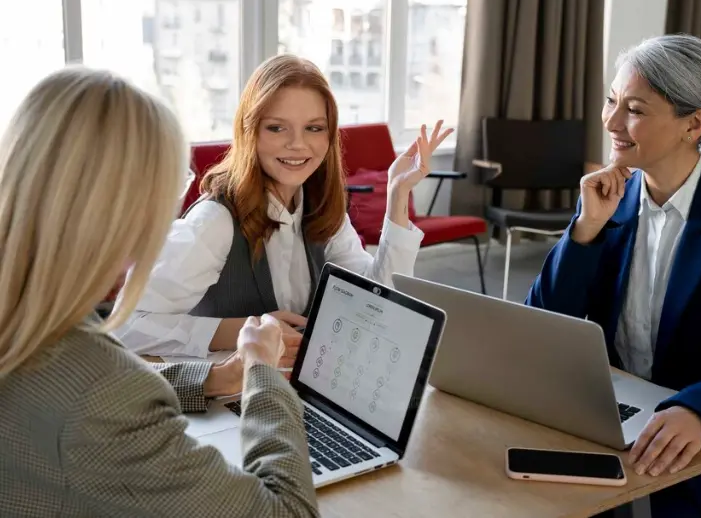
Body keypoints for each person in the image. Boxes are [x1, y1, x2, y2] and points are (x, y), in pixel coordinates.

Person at [0, 66, 319, 516]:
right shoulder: (103, 391)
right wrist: (264, 378)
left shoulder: (32, 326)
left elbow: (73, 389)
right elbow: (289, 512)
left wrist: (211, 378)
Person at [527, 35, 701, 517]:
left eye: (634, 109)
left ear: (693, 124)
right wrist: (585, 232)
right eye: (612, 100)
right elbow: (543, 329)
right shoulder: (609, 198)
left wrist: (699, 411)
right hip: (619, 432)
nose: (611, 122)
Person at [115, 54, 451, 367]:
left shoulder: (321, 210)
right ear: (250, 132)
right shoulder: (215, 222)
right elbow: (127, 327)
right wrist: (246, 330)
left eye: (314, 128)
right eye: (277, 127)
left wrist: (398, 194)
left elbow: (379, 306)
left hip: (303, 388)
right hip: (231, 405)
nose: (298, 144)